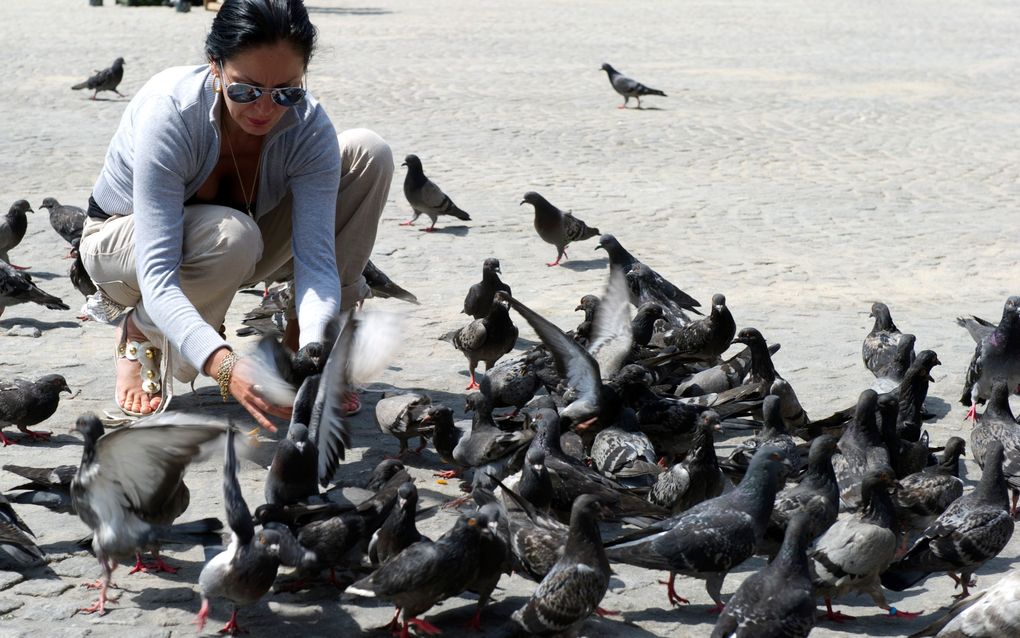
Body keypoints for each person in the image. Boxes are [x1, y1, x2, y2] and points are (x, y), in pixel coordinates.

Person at [79, 0, 392, 430]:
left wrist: (316, 344)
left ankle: (301, 342)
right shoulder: (170, 111)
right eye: (245, 91)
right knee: (232, 235)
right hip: (124, 246)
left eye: (287, 91)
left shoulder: (308, 124)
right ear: (214, 66)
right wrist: (224, 365)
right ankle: (141, 330)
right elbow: (157, 274)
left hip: (244, 240)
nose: (265, 109)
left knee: (367, 152)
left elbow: (317, 263)